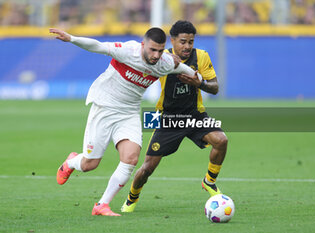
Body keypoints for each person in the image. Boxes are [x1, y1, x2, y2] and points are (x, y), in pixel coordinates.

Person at [50, 27, 201, 216]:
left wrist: (200, 80)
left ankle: (101, 205)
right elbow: (98, 46)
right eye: (152, 50)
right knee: (90, 164)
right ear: (143, 45)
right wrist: (71, 38)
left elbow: (191, 73)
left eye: (160, 51)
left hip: (129, 112)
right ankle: (72, 162)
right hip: (105, 106)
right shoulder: (128, 51)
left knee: (130, 159)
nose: (156, 55)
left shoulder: (166, 62)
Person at [121, 20, 228, 213]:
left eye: (191, 42)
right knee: (147, 169)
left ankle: (209, 181)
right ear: (172, 40)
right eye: (183, 41)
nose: (187, 46)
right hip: (169, 118)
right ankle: (132, 197)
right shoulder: (162, 58)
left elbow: (215, 87)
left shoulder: (201, 57)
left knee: (221, 140)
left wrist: (199, 83)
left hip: (195, 115)